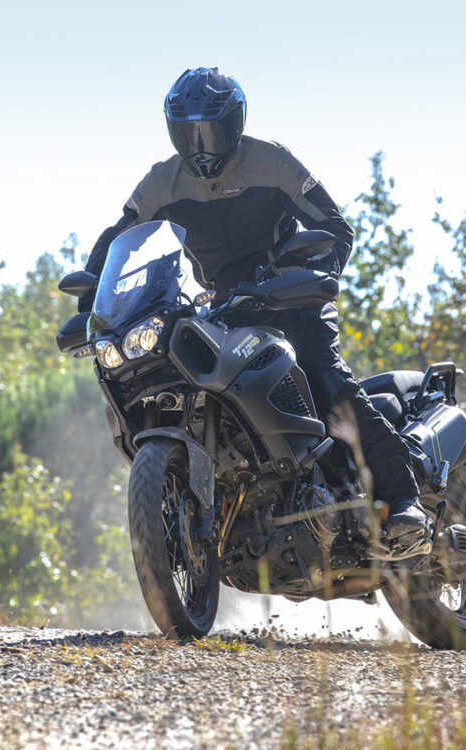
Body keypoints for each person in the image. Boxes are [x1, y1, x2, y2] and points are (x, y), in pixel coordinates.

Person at [79, 67, 430, 551]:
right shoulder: (163, 180)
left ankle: (404, 499)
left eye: (212, 130)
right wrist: (91, 301)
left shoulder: (273, 162)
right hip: (225, 309)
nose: (201, 146)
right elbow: (118, 238)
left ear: (236, 123)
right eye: (189, 132)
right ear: (172, 131)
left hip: (290, 296)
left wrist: (319, 273)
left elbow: (335, 225)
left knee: (327, 382)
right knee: (192, 386)